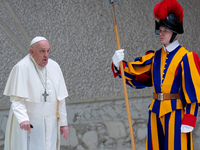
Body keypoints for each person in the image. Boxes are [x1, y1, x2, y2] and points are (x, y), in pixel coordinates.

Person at [111, 0, 200, 149]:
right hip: (155, 111)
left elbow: (193, 92)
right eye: (161, 29)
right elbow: (136, 73)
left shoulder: (187, 57)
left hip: (176, 113)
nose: (161, 33)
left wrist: (190, 118)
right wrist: (118, 64)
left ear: (174, 32)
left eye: (165, 30)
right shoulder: (155, 57)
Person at [3, 36, 69, 150]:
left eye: (48, 51)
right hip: (31, 122)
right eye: (42, 51)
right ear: (32, 52)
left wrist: (63, 123)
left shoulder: (55, 66)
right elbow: (17, 100)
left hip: (51, 123)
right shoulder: (21, 67)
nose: (46, 56)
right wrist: (23, 119)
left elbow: (61, 98)